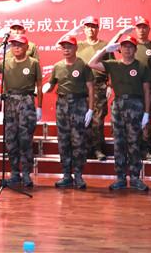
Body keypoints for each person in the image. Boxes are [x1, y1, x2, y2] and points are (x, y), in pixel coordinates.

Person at [88, 35, 150, 191]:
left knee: (134, 142)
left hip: (136, 105)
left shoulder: (142, 66)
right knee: (119, 143)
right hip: (119, 105)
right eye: (124, 46)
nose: (127, 49)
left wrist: (147, 112)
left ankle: (135, 178)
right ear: (119, 49)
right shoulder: (113, 64)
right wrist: (105, 50)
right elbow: (92, 63)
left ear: (135, 49)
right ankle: (120, 177)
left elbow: (147, 91)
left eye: (130, 46)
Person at [0, 35, 42, 187]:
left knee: (25, 139)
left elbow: (39, 86)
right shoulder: (6, 62)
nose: (16, 47)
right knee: (11, 139)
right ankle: (15, 173)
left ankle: (26, 174)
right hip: (9, 103)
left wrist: (39, 107)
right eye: (14, 45)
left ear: (27, 47)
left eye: (20, 45)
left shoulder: (33, 63)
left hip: (26, 102)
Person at [43, 35, 94, 189]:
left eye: (69, 47)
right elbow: (51, 84)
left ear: (76, 48)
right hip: (62, 105)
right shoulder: (58, 66)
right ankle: (66, 175)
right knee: (63, 141)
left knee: (78, 141)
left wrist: (91, 109)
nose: (66, 50)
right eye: (64, 47)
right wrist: (46, 88)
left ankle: (78, 175)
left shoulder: (83, 65)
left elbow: (91, 88)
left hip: (79, 104)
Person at [74, 16, 112, 162]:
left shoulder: (105, 46)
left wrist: (110, 85)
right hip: (81, 87)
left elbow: (112, 66)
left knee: (97, 120)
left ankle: (97, 149)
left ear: (98, 28)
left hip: (99, 86)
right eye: (88, 26)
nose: (91, 29)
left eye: (94, 26)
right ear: (84, 29)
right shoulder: (78, 46)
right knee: (81, 119)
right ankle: (83, 149)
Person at [133, 18, 151, 161]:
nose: (142, 30)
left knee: (147, 120)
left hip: (149, 88)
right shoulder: (130, 45)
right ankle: (133, 150)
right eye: (139, 27)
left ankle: (146, 150)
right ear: (135, 29)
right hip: (132, 89)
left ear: (149, 29)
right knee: (132, 120)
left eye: (144, 27)